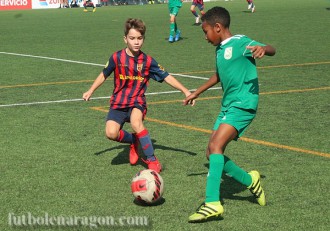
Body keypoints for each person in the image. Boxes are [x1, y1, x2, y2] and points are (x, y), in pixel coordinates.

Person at [183, 6, 276, 222]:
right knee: (210, 152)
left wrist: (264, 50)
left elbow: (271, 49)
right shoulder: (219, 49)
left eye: (205, 32)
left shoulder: (241, 42)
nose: (205, 37)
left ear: (217, 27)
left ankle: (212, 203)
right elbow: (217, 76)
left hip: (243, 104)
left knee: (216, 147)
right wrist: (195, 93)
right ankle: (250, 180)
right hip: (228, 106)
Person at [83, 18, 193, 173]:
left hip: (137, 101)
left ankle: (151, 159)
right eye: (132, 38)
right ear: (125, 39)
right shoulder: (116, 57)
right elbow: (104, 74)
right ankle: (134, 140)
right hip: (118, 103)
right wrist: (91, 90)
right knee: (111, 133)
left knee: (136, 123)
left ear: (143, 39)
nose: (136, 42)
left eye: (139, 38)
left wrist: (186, 91)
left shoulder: (148, 61)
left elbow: (166, 76)